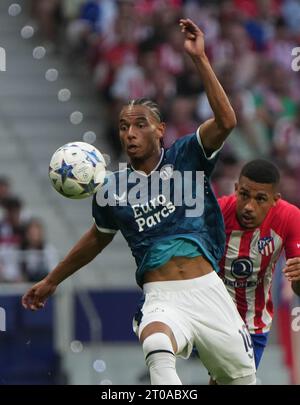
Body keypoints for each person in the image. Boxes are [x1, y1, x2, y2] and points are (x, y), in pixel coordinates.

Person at [22, 18, 256, 385]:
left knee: (243, 380)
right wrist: (52, 279)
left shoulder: (187, 156)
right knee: (157, 345)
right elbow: (98, 237)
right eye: (123, 127)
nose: (130, 133)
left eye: (140, 125)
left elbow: (226, 121)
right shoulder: (111, 189)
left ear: (160, 129)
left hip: (210, 290)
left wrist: (200, 58)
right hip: (162, 296)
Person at [217, 159, 300, 369]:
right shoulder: (217, 213)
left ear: (275, 199)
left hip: (253, 323)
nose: (249, 207)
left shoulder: (290, 218)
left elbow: (298, 287)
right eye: (244, 195)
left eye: (260, 199)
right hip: (212, 313)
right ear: (236, 189)